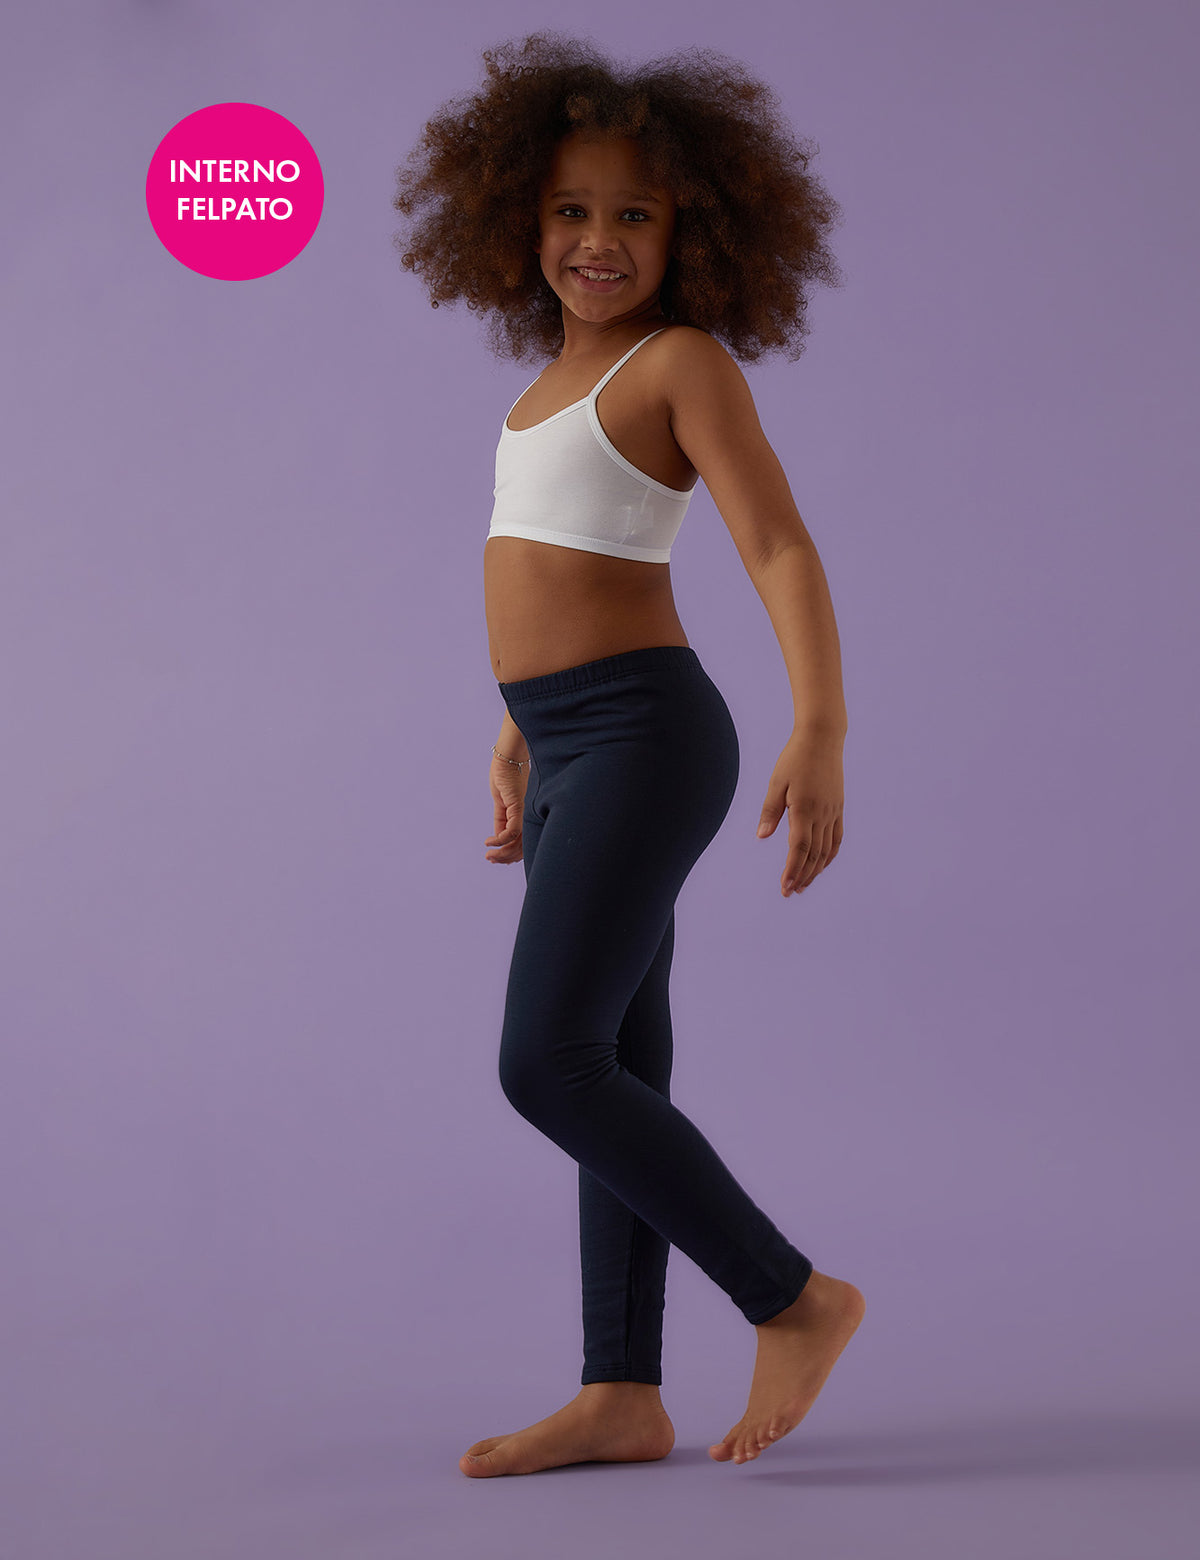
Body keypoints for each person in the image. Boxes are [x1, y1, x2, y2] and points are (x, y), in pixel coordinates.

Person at [393, 31, 865, 1479]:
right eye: (570, 210)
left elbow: (777, 545)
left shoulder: (681, 364)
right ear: (516, 221)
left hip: (651, 737)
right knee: (616, 1068)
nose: (598, 240)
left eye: (636, 214)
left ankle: (793, 1298)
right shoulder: (547, 382)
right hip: (568, 743)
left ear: (694, 231)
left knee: (547, 1063)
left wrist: (821, 724)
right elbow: (565, 559)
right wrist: (517, 729)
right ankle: (622, 1391)